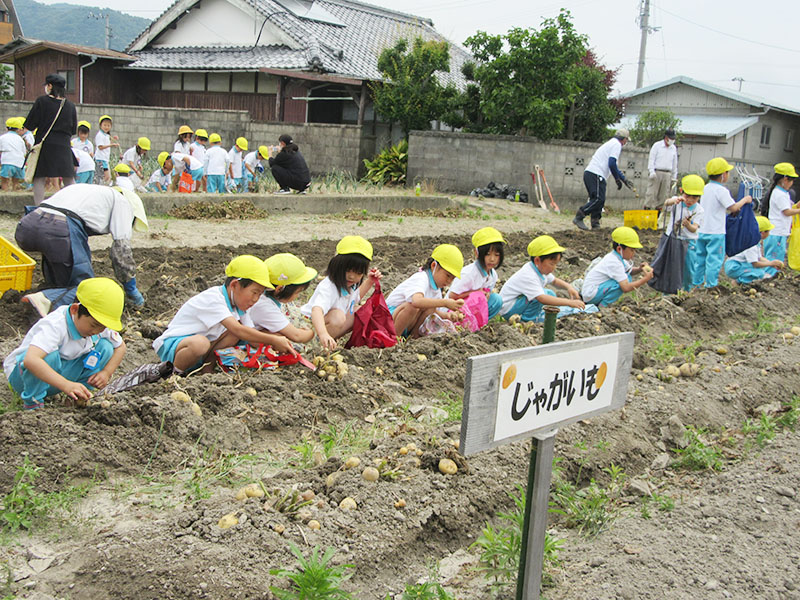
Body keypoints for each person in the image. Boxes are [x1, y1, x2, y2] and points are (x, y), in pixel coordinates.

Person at [14, 183, 149, 317]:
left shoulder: (88, 191)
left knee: (60, 279)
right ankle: (43, 299)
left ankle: (49, 293)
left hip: (28, 225)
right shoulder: (123, 203)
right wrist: (130, 288)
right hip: (58, 229)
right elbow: (121, 252)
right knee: (87, 290)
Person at [152, 255, 295, 375]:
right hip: (175, 347)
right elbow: (238, 330)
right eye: (254, 292)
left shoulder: (240, 307)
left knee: (234, 335)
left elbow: (250, 335)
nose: (256, 299)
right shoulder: (214, 299)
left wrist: (278, 344)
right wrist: (273, 340)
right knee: (202, 342)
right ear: (234, 285)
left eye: (260, 294)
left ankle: (206, 373)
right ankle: (173, 375)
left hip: (202, 349)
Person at [3, 277, 126, 410]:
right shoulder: (56, 325)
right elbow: (30, 360)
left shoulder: (98, 326)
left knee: (106, 347)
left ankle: (78, 394)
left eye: (102, 328)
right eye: (94, 325)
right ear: (74, 310)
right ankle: (34, 403)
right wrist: (66, 385)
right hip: (24, 380)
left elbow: (120, 346)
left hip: (57, 379)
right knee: (49, 356)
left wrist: (106, 373)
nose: (97, 331)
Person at [301, 236, 381, 350]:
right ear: (336, 265)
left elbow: (355, 299)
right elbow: (317, 310)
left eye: (358, 273)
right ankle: (314, 347)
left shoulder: (350, 285)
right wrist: (323, 334)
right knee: (338, 317)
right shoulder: (329, 286)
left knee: (359, 312)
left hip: (327, 325)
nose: (352, 276)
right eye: (347, 270)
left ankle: (329, 342)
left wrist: (370, 282)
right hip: (309, 325)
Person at [499, 235, 592, 322]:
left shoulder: (539, 268)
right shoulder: (528, 275)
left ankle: (534, 313)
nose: (554, 267)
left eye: (556, 264)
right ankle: (527, 319)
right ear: (537, 260)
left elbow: (555, 281)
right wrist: (569, 302)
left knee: (549, 293)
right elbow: (541, 298)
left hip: (517, 304)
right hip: (508, 309)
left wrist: (569, 287)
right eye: (552, 264)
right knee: (538, 298)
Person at [693, 157, 752, 288]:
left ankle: (696, 284)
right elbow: (733, 207)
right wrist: (745, 200)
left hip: (702, 230)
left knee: (700, 259)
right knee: (714, 260)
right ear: (723, 175)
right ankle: (710, 285)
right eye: (727, 172)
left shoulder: (706, 188)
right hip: (716, 232)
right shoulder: (721, 190)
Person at [385, 244, 465, 339]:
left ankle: (413, 338)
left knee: (430, 308)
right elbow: (416, 301)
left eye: (452, 278)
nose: (449, 281)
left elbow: (434, 311)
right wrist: (444, 303)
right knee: (413, 306)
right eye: (447, 276)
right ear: (433, 265)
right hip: (387, 319)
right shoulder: (421, 278)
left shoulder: (437, 290)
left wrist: (448, 315)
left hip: (406, 322)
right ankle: (392, 340)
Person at [24, 73, 78, 205]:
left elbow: (30, 124)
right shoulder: (70, 105)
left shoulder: (42, 101)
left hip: (45, 144)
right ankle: (74, 206)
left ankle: (38, 207)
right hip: (64, 145)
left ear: (50, 86)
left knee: (39, 177)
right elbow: (73, 130)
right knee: (68, 178)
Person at [574, 128, 634, 230]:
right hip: (596, 174)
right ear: (623, 139)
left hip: (591, 173)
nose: (626, 143)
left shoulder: (611, 144)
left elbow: (614, 166)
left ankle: (595, 223)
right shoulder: (616, 145)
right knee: (598, 199)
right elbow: (611, 163)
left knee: (598, 200)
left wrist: (624, 180)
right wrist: (617, 179)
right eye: (626, 140)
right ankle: (580, 215)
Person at [250, 253, 317, 343]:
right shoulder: (264, 306)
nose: (297, 296)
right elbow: (297, 336)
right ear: (279, 289)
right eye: (297, 292)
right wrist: (314, 331)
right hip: (246, 341)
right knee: (282, 338)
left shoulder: (264, 297)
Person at [581, 227, 654, 306]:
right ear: (619, 249)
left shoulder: (617, 257)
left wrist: (639, 269)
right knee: (623, 282)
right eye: (632, 250)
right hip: (591, 294)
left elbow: (629, 271)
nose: (634, 253)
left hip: (593, 292)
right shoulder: (614, 262)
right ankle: (602, 306)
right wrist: (645, 279)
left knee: (626, 277)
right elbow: (625, 288)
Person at [447, 226, 504, 320]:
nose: (492, 259)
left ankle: (479, 323)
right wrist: (476, 293)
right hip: (456, 309)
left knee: (496, 300)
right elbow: (452, 296)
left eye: (496, 255)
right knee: (478, 296)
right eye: (488, 254)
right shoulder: (469, 274)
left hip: (475, 307)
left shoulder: (493, 275)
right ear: (477, 253)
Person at [661, 174, 705, 291]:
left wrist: (687, 225)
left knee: (688, 267)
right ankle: (669, 290)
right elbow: (666, 203)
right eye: (687, 196)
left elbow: (694, 228)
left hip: (689, 242)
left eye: (694, 197)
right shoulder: (677, 203)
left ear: (699, 197)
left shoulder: (699, 210)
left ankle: (686, 289)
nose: (690, 200)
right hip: (673, 239)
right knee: (671, 266)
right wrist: (675, 200)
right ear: (681, 191)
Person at [723, 216, 784, 283]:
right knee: (759, 273)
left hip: (739, 264)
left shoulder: (754, 241)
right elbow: (755, 264)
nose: (769, 234)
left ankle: (745, 280)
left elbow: (759, 258)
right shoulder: (751, 246)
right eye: (768, 231)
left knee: (759, 270)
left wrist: (772, 263)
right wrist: (770, 264)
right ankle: (738, 282)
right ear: (762, 233)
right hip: (734, 267)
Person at [762, 162, 800, 264]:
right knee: (774, 259)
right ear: (785, 179)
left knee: (776, 257)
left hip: (777, 231)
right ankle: (769, 276)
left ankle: (771, 275)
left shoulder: (780, 192)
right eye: (791, 180)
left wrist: (795, 207)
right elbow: (786, 212)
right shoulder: (780, 194)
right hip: (777, 232)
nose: (792, 183)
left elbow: (785, 209)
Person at [645, 128, 678, 209]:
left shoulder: (673, 148)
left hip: (667, 173)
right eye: (671, 138)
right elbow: (651, 159)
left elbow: (674, 163)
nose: (672, 140)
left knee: (663, 197)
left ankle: (657, 218)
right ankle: (646, 215)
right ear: (666, 137)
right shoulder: (657, 145)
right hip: (657, 172)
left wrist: (674, 176)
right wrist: (651, 171)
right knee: (651, 195)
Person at [0, 117, 27, 191]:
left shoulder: (3, 138)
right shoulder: (20, 139)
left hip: (7, 161)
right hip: (19, 162)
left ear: (6, 128)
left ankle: (5, 192)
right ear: (18, 129)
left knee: (4, 180)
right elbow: (24, 152)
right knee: (16, 181)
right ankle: (15, 191)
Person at [94, 115, 118, 184]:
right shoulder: (100, 135)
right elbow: (100, 147)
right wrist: (111, 145)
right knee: (105, 177)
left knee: (107, 178)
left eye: (108, 125)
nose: (106, 127)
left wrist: (113, 140)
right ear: (100, 125)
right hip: (100, 159)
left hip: (105, 159)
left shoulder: (106, 135)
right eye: (105, 125)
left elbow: (106, 144)